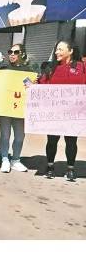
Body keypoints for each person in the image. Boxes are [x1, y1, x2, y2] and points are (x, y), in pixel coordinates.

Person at [38, 40, 86, 181]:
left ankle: (70, 169)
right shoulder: (50, 68)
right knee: (52, 140)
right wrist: (31, 86)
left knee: (71, 141)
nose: (57, 52)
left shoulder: (81, 67)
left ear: (70, 51)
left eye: (60, 49)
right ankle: (50, 166)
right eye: (56, 49)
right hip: (55, 113)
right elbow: (41, 85)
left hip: (73, 113)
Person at [0, 44, 34, 173]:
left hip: (20, 108)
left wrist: (34, 83)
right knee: (5, 135)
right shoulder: (3, 69)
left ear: (22, 54)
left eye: (15, 52)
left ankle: (16, 160)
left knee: (19, 136)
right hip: (4, 107)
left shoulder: (27, 70)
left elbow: (30, 88)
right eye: (10, 51)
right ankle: (5, 159)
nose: (12, 54)